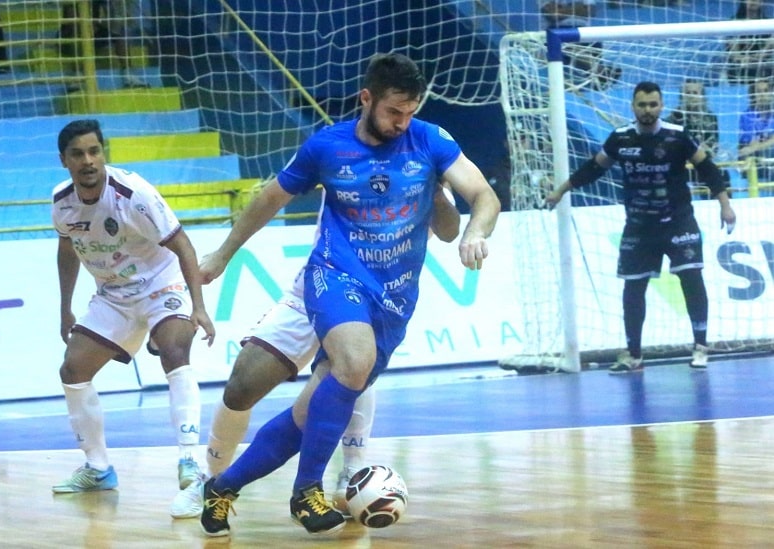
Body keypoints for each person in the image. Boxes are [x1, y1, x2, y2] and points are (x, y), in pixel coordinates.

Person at [196, 52, 500, 537]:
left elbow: (481, 199)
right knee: (348, 363)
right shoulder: (327, 147)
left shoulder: (430, 141)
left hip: (394, 299)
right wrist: (221, 254)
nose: (402, 123)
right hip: (336, 275)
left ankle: (224, 487)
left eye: (410, 113)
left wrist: (471, 231)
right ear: (367, 99)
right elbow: (270, 198)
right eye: (393, 112)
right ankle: (307, 491)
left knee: (310, 413)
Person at [166, 182, 462, 520]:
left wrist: (459, 216)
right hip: (315, 287)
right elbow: (281, 188)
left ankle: (349, 472)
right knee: (242, 387)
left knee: (345, 376)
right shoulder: (340, 150)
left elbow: (451, 226)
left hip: (374, 301)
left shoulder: (422, 159)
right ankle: (212, 479)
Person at [50, 119, 215, 494]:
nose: (88, 160)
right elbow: (66, 251)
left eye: (94, 151)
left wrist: (200, 307)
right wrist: (65, 308)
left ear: (103, 153)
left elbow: (184, 246)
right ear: (64, 161)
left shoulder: (132, 193)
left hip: (161, 283)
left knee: (174, 348)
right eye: (78, 154)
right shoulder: (62, 202)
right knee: (73, 368)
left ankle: (190, 461)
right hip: (114, 293)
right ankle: (98, 467)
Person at [546, 81, 736, 374]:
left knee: (691, 279)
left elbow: (707, 168)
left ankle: (700, 346)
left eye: (653, 104)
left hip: (679, 221)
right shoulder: (620, 139)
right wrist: (561, 190)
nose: (647, 110)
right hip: (639, 226)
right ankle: (634, 355)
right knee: (633, 288)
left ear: (661, 106)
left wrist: (725, 205)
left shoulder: (677, 136)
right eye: (642, 105)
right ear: (633, 106)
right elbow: (594, 168)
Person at [59, 1, 149, 89]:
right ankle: (77, 75)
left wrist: (98, 24)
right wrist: (87, 26)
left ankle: (129, 74)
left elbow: (111, 16)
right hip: (72, 31)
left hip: (95, 28)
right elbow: (70, 20)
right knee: (76, 29)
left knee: (120, 28)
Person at [540, 0, 620, 91]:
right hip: (556, 32)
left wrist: (563, 10)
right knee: (567, 46)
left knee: (594, 42)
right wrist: (579, 8)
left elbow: (590, 11)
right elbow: (553, 14)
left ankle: (596, 72)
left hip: (584, 31)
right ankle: (598, 70)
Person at [667, 79, 726, 188]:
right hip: (681, 165)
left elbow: (714, 148)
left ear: (702, 96)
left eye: (695, 93)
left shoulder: (711, 118)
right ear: (682, 96)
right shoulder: (673, 118)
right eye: (688, 93)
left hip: (702, 163)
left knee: (723, 175)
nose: (691, 96)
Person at [725, 0, 774, 85]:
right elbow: (734, 53)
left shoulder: (768, 23)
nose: (753, 1)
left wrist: (757, 58)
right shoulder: (733, 22)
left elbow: (768, 48)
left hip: (763, 66)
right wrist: (742, 58)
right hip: (739, 67)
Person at [738, 78, 774, 183]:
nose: (762, 95)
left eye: (766, 91)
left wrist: (759, 145)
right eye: (759, 91)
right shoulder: (746, 116)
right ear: (753, 95)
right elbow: (750, 144)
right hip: (754, 158)